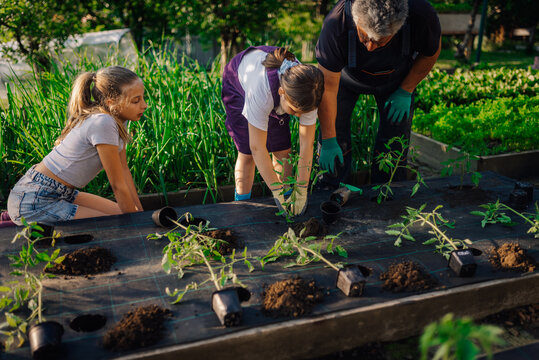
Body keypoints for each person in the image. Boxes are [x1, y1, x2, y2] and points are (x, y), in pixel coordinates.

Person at [316, 0, 441, 187]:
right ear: (356, 21)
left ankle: (388, 192)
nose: (370, 47)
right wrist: (328, 140)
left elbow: (430, 53)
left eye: (380, 41)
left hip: (396, 79)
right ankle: (331, 190)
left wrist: (405, 90)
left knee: (394, 140)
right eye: (364, 38)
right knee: (335, 134)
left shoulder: (421, 15)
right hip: (345, 79)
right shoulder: (337, 23)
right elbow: (328, 88)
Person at [7, 66, 147, 225]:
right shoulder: (103, 122)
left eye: (142, 98)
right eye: (136, 100)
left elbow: (123, 170)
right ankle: (14, 221)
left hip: (63, 194)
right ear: (111, 103)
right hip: (35, 200)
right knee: (114, 225)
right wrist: (137, 224)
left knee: (124, 215)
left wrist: (140, 214)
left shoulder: (119, 119)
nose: (144, 105)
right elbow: (117, 185)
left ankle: (14, 218)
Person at [222, 46, 324, 216]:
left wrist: (301, 189)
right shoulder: (261, 90)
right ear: (281, 92)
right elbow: (257, 148)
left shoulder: (310, 92)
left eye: (303, 113)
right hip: (238, 84)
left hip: (278, 96)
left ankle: (287, 197)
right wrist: (275, 190)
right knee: (247, 153)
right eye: (294, 111)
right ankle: (243, 205)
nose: (299, 116)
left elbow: (307, 147)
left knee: (283, 150)